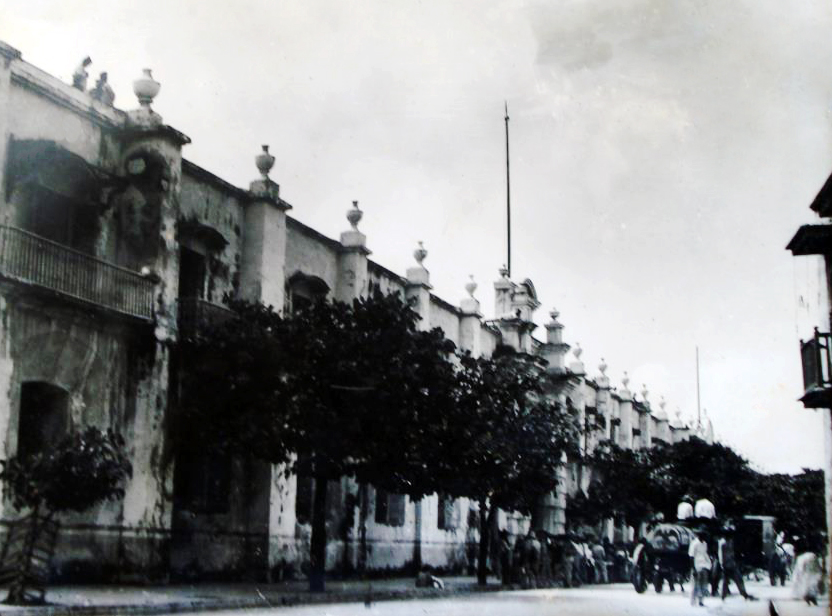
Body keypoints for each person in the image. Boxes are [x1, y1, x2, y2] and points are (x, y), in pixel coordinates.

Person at [718, 528, 756, 601]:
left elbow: (732, 552)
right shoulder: (722, 543)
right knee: (725, 581)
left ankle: (744, 594)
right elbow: (720, 554)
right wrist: (722, 564)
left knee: (738, 579)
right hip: (725, 564)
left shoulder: (730, 542)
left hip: (732, 563)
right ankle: (723, 596)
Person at [689, 530, 711, 606]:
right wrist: (693, 569)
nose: (704, 537)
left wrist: (709, 565)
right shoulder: (694, 544)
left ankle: (701, 601)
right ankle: (693, 601)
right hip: (696, 566)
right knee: (695, 584)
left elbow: (705, 554)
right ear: (699, 536)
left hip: (704, 565)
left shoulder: (705, 544)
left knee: (703, 584)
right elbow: (691, 556)